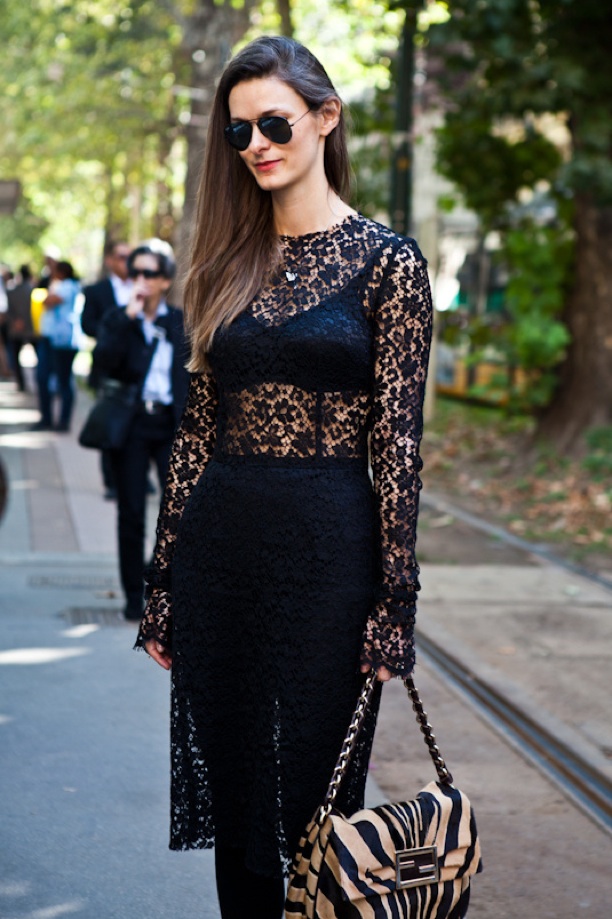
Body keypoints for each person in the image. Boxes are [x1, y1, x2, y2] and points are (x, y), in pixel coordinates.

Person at [135, 36, 433, 919]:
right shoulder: (225, 263)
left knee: (319, 812)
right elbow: (194, 438)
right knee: (239, 813)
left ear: (324, 119)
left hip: (330, 561)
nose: (258, 144)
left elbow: (400, 446)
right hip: (220, 555)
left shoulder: (391, 265)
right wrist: (161, 582)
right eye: (240, 132)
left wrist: (397, 597)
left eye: (275, 122)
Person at [93, 239, 189, 621]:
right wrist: (127, 318)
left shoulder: (181, 322)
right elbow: (102, 365)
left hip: (170, 425)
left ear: (165, 280)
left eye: (149, 273)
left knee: (177, 510)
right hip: (131, 426)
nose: (141, 280)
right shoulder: (119, 318)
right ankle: (134, 594)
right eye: (135, 273)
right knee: (131, 512)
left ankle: (156, 578)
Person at [82, 240, 133, 500]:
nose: (127, 261)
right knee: (108, 423)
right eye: (122, 256)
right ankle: (111, 481)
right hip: (107, 369)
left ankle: (136, 477)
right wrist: (114, 329)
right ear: (110, 260)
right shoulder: (97, 291)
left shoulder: (142, 287)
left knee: (136, 426)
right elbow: (86, 325)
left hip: (136, 372)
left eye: (130, 256)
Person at [35, 260, 81, 431]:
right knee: (46, 378)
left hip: (62, 341)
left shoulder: (67, 286)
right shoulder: (62, 285)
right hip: (53, 338)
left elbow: (48, 301)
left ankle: (63, 421)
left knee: (63, 381)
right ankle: (49, 419)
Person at [6, 265, 35, 392]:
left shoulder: (13, 291)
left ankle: (22, 383)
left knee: (15, 357)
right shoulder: (32, 290)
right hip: (30, 329)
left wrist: (15, 321)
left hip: (18, 328)